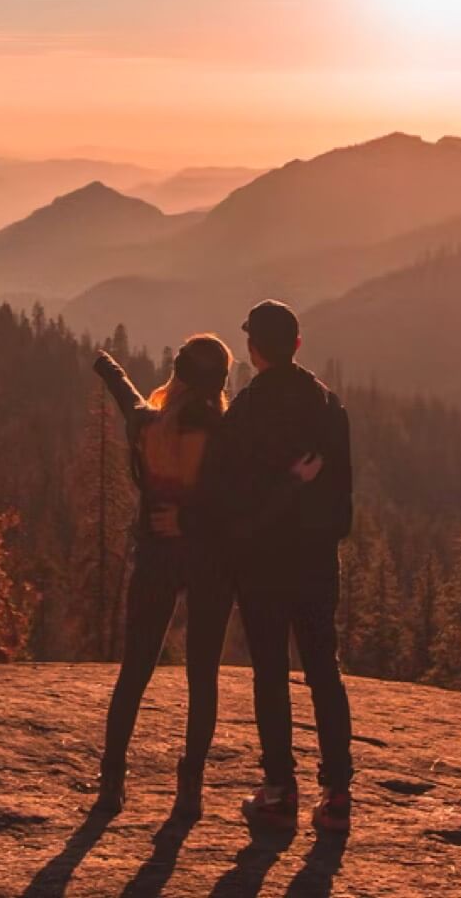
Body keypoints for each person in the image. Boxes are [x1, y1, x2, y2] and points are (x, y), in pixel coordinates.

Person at [89, 337, 320, 819]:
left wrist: (107, 367)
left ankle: (112, 780)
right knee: (202, 678)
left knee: (134, 672)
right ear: (220, 382)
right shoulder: (225, 435)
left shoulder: (147, 423)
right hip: (211, 562)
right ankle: (190, 785)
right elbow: (242, 500)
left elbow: (127, 395)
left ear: (177, 377)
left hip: (156, 558)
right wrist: (294, 480)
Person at [159, 299, 355, 834]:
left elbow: (226, 498)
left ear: (252, 349)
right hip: (317, 562)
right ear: (295, 345)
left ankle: (279, 791)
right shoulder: (328, 406)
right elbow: (342, 505)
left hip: (263, 566)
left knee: (270, 674)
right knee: (323, 672)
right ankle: (338, 794)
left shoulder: (244, 412)